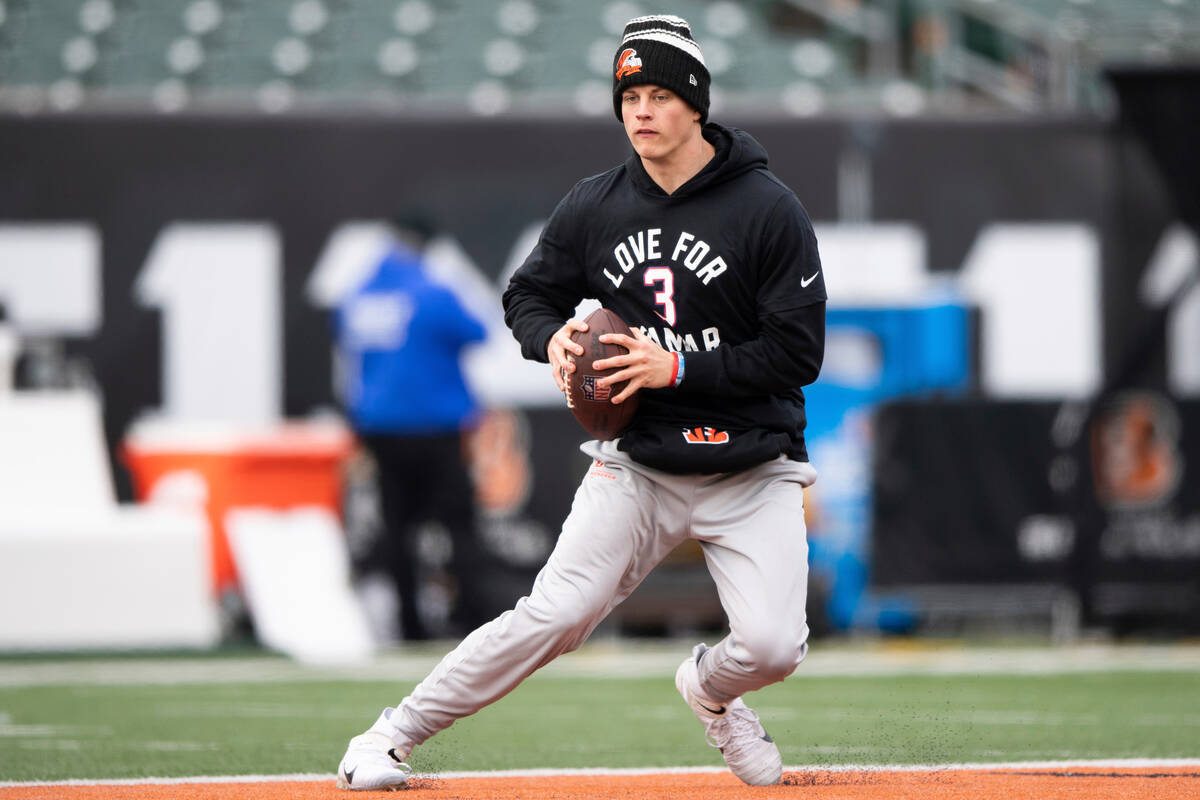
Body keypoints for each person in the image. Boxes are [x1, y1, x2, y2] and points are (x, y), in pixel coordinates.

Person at [336, 14, 826, 789]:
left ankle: (709, 690)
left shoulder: (769, 209)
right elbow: (527, 295)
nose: (641, 110)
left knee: (772, 649)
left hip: (751, 466)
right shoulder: (596, 204)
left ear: (696, 104)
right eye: (630, 94)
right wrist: (551, 341)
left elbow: (798, 353)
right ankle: (386, 737)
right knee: (553, 617)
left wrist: (675, 369)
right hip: (640, 466)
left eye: (661, 93)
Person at [335, 219, 492, 641]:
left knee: (397, 528)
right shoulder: (431, 291)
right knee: (458, 526)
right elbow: (477, 331)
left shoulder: (360, 294)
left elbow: (352, 354)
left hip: (381, 429)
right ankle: (473, 619)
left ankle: (408, 626)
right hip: (435, 428)